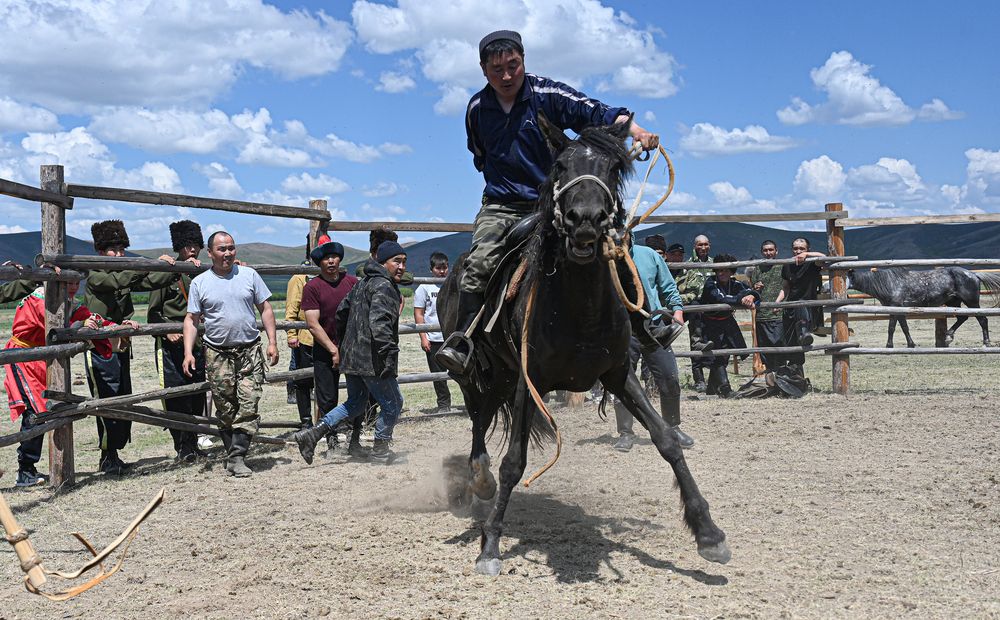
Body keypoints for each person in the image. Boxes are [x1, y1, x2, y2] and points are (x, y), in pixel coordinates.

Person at [436, 29, 660, 375]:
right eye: (498, 69)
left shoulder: (548, 94)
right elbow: (480, 157)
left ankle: (646, 324)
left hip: (557, 203)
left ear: (523, 60)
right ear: (483, 70)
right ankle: (462, 341)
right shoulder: (477, 110)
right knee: (480, 262)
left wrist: (638, 132)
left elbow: (599, 112)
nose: (507, 75)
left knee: (615, 246)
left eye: (514, 65)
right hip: (503, 205)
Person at [294, 241, 407, 464]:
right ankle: (380, 451)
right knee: (393, 402)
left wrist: (348, 342)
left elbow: (341, 312)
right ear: (383, 263)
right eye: (397, 261)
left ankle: (312, 434)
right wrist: (386, 355)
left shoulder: (361, 283)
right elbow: (380, 324)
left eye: (404, 261)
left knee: (355, 403)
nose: (402, 266)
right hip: (372, 358)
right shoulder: (383, 286)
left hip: (352, 355)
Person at [83, 219, 179, 475]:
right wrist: (146, 264)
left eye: (122, 249)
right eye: (114, 249)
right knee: (106, 398)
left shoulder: (123, 273)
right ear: (101, 252)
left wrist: (170, 268)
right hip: (100, 347)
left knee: (123, 396)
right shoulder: (96, 274)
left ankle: (113, 453)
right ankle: (107, 455)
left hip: (121, 346)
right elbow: (122, 280)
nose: (119, 254)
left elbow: (149, 282)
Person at [183, 231, 279, 477]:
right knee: (225, 408)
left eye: (231, 248)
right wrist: (188, 353)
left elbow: (265, 308)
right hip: (217, 353)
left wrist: (273, 342)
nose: (227, 253)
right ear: (210, 252)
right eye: (222, 249)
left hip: (249, 350)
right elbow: (192, 319)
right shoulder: (200, 283)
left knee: (249, 402)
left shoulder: (249, 275)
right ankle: (234, 454)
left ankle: (237, 457)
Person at [4, 282, 117, 485]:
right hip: (24, 358)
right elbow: (59, 329)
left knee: (45, 411)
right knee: (34, 413)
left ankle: (29, 468)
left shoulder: (67, 302)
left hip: (41, 359)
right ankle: (25, 469)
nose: (72, 287)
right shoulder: (40, 301)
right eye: (66, 283)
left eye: (74, 282)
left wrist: (117, 326)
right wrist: (80, 325)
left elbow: (87, 316)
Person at [613, 241, 693, 452]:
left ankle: (672, 428)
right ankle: (625, 432)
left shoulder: (648, 255)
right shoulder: (606, 258)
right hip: (622, 328)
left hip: (652, 325)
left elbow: (667, 285)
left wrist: (677, 309)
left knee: (669, 375)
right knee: (622, 381)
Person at [146, 220, 210, 463]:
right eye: (186, 245)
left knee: (196, 395)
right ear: (178, 247)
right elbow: (153, 313)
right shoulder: (167, 274)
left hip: (197, 343)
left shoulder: (201, 274)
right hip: (171, 346)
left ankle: (193, 445)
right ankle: (182, 447)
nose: (192, 250)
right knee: (175, 397)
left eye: (195, 245)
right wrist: (165, 332)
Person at [300, 236, 364, 456]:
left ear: (340, 259)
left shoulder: (353, 283)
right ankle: (332, 440)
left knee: (360, 393)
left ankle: (356, 437)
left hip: (354, 348)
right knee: (327, 396)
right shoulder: (312, 287)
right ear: (320, 263)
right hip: (325, 348)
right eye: (326, 258)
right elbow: (312, 324)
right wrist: (333, 349)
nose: (331, 261)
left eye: (334, 256)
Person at [699, 254, 760, 397]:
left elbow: (751, 292)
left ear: (732, 271)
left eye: (726, 270)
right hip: (710, 322)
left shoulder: (735, 284)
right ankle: (725, 388)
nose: (722, 273)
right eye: (719, 270)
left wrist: (751, 296)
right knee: (716, 355)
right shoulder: (710, 283)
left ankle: (712, 389)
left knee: (724, 355)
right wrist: (740, 298)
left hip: (727, 321)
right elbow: (720, 298)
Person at [781, 237, 826, 375]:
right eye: (795, 248)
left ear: (808, 249)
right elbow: (785, 288)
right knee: (791, 341)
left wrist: (807, 256)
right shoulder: (787, 265)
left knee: (801, 336)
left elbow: (825, 257)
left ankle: (804, 334)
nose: (798, 251)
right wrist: (777, 304)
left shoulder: (812, 263)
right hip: (790, 306)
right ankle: (796, 375)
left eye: (802, 248)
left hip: (807, 306)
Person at [675, 235, 714, 392]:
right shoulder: (687, 264)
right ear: (695, 246)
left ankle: (715, 378)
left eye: (705, 244)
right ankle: (699, 380)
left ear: (709, 246)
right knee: (695, 340)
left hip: (712, 307)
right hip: (694, 307)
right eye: (700, 245)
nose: (703, 248)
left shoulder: (714, 263)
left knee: (712, 340)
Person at [413, 252, 451, 413]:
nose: (442, 271)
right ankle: (444, 405)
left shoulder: (452, 284)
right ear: (431, 269)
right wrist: (423, 337)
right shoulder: (424, 287)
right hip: (433, 337)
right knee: (437, 374)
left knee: (461, 370)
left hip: (452, 337)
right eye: (438, 268)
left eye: (444, 267)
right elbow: (419, 313)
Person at [285, 252, 316, 429]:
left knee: (325, 381)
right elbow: (292, 308)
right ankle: (306, 422)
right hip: (305, 337)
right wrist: (292, 334)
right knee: (303, 379)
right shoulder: (298, 278)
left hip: (325, 337)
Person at [746, 240, 785, 371]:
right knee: (765, 350)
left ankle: (782, 377)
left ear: (776, 251)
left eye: (771, 250)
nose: (768, 253)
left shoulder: (783, 266)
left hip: (778, 314)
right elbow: (753, 288)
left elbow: (787, 287)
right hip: (761, 315)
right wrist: (755, 287)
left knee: (779, 347)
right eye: (765, 250)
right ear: (762, 252)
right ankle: (770, 380)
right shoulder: (758, 268)